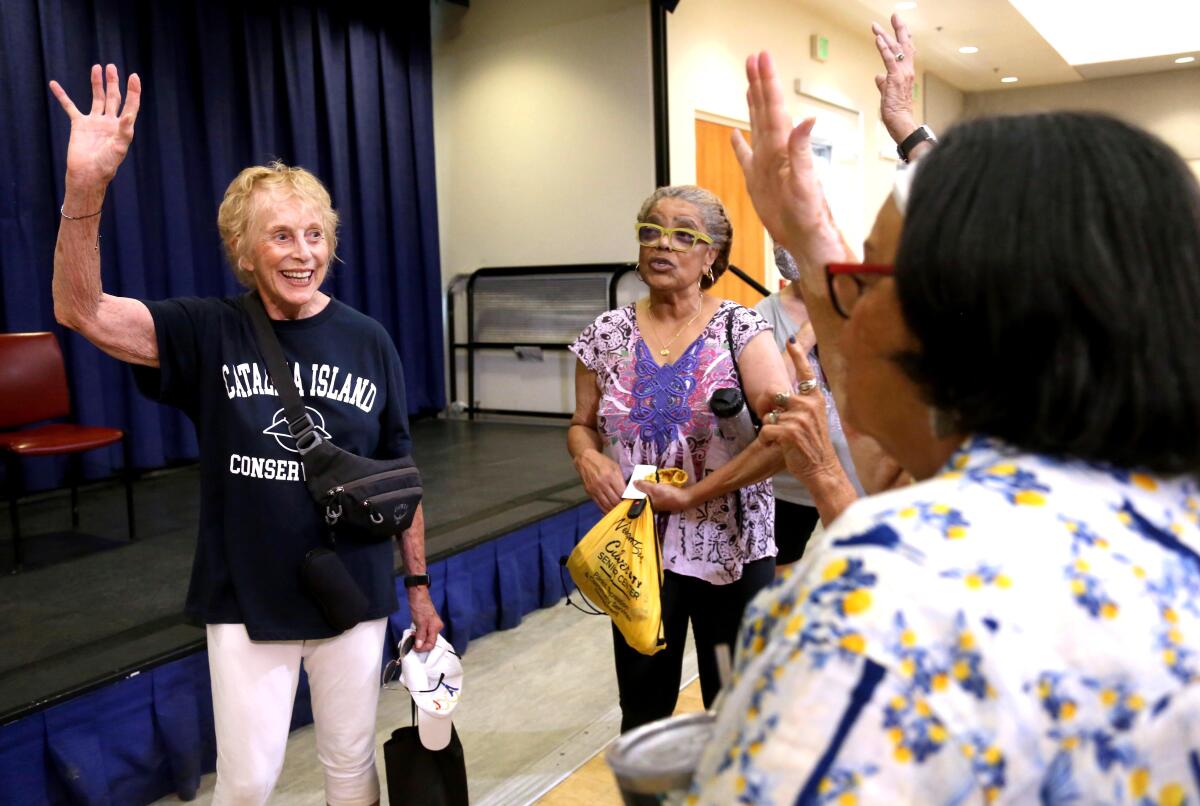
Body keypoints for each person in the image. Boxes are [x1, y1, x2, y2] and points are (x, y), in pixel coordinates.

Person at [690, 21, 1200, 805]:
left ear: (967, 319)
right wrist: (808, 231)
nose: (838, 314)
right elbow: (911, 459)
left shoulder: (890, 588)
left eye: (860, 280)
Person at [48, 65, 442, 806]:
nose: (302, 251)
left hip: (354, 590)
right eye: (281, 235)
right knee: (248, 782)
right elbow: (82, 310)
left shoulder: (368, 338)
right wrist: (86, 190)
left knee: (352, 770)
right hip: (246, 594)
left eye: (315, 234)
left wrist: (417, 587)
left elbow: (401, 471)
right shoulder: (208, 331)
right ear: (245, 247)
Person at [567, 184, 790, 732]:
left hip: (734, 552)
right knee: (643, 712)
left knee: (734, 711)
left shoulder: (742, 329)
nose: (662, 244)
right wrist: (588, 459)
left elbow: (780, 438)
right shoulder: (606, 333)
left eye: (683, 234)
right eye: (651, 232)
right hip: (642, 551)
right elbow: (580, 426)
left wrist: (693, 495)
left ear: (711, 255)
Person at [754, 245, 863, 565]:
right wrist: (804, 338)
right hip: (788, 483)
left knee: (857, 568)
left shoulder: (858, 303)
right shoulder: (763, 314)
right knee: (781, 569)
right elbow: (765, 391)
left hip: (855, 477)